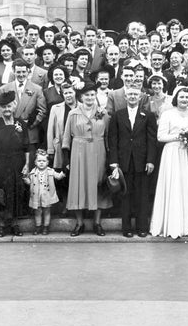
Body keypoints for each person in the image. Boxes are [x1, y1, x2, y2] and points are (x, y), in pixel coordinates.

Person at [62, 83, 112, 237]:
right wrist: (66, 159)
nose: (90, 98)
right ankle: (79, 223)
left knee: (98, 184)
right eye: (86, 95)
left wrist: (110, 159)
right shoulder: (73, 114)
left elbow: (109, 137)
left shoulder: (103, 114)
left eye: (92, 95)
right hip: (79, 152)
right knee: (79, 185)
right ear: (81, 97)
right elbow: (66, 138)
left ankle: (97, 223)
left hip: (98, 152)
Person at [108, 87, 157, 238]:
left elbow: (151, 139)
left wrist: (150, 160)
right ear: (125, 96)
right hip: (124, 161)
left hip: (141, 160)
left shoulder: (148, 116)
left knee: (142, 195)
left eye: (136, 94)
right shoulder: (118, 115)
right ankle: (127, 228)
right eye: (130, 94)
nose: (133, 97)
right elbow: (113, 139)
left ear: (141, 97)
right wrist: (114, 162)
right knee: (126, 195)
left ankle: (142, 227)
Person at [150, 87, 188, 239]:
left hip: (187, 154)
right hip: (172, 153)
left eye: (186, 97)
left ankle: (186, 225)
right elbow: (161, 136)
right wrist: (180, 136)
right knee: (173, 186)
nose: (184, 99)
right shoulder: (167, 114)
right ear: (176, 98)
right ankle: (171, 225)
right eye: (181, 97)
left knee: (186, 186)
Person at [0, 91, 30, 237]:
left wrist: (26, 165)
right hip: (0, 162)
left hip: (17, 162)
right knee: (2, 193)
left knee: (17, 192)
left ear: (14, 105)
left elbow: (27, 146)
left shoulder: (21, 123)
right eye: (3, 107)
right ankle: (1, 225)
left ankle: (14, 224)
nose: (6, 109)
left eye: (9, 106)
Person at [0, 59, 47, 165]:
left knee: (28, 165)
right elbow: (1, 112)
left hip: (30, 132)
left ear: (28, 71)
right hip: (10, 131)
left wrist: (30, 124)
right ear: (13, 71)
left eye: (23, 72)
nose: (21, 75)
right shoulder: (5, 88)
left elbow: (42, 111)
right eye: (18, 72)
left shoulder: (37, 89)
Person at [47, 82, 77, 216]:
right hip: (61, 148)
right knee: (63, 177)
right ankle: (65, 206)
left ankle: (77, 206)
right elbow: (50, 130)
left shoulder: (81, 107)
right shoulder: (56, 108)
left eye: (70, 92)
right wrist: (50, 150)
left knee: (77, 176)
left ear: (75, 92)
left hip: (77, 147)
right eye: (65, 93)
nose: (68, 95)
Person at [24, 149, 65, 235]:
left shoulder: (50, 171)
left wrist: (64, 172)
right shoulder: (32, 172)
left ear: (47, 162)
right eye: (39, 161)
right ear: (35, 162)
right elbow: (29, 182)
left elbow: (58, 176)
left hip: (47, 196)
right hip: (36, 196)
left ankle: (46, 227)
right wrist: (25, 178)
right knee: (37, 211)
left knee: (47, 211)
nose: (41, 163)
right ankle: (38, 227)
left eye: (44, 161)